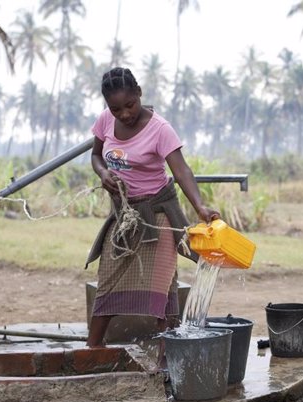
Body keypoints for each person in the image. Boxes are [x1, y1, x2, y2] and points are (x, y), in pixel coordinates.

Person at [84, 67, 219, 350]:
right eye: (115, 108)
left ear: (139, 93)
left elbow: (181, 171)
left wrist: (200, 206)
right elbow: (96, 155)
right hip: (124, 216)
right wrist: (103, 173)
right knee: (107, 280)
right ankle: (93, 350)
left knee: (160, 288)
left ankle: (167, 359)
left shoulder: (160, 129)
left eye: (129, 105)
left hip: (157, 215)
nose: (124, 114)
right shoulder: (105, 121)